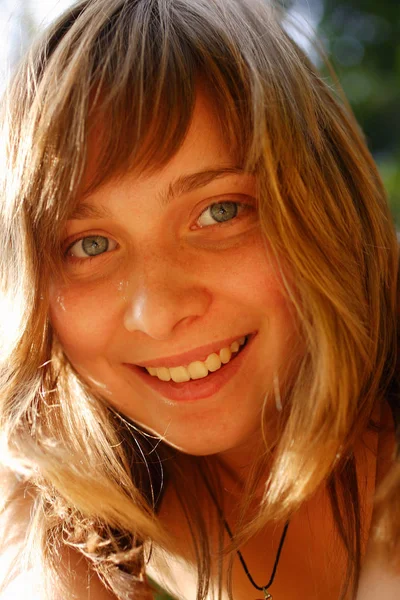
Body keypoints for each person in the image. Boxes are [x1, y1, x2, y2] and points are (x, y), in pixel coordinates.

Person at [0, 0, 399, 598]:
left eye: (219, 212)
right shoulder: (72, 481)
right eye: (89, 245)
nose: (157, 313)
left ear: (326, 200)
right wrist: (44, 542)